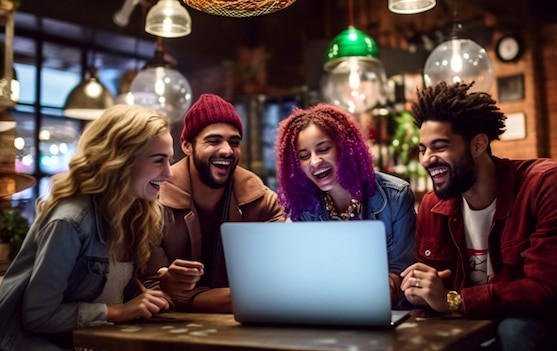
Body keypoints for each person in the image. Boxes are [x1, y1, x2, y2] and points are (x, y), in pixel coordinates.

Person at [400, 81, 557, 350]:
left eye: (440, 146)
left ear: (479, 144)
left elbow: (550, 291)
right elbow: (435, 292)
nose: (426, 159)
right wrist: (418, 289)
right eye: (423, 149)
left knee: (516, 329)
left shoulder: (547, 185)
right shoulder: (433, 206)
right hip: (480, 327)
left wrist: (453, 300)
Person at [0, 105, 174, 351]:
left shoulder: (135, 214)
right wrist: (117, 312)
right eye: (159, 160)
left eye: (170, 160)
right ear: (121, 160)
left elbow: (106, 290)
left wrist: (154, 293)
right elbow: (38, 315)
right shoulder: (70, 221)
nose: (169, 173)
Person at [142, 93, 285, 313]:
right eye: (214, 140)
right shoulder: (154, 202)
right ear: (187, 146)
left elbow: (280, 280)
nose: (227, 150)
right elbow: (150, 288)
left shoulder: (263, 202)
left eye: (234, 142)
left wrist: (188, 296)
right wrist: (231, 299)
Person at [275, 103, 416, 308]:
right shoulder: (304, 207)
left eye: (324, 149)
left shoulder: (395, 196)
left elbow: (401, 275)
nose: (315, 162)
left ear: (347, 148)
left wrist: (385, 285)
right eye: (304, 156)